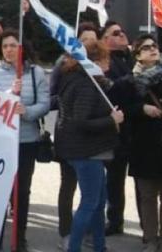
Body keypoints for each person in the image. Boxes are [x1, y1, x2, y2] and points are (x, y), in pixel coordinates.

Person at [0, 30, 50, 252]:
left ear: (22, 48)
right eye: (5, 46)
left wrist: (26, 111)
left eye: (13, 45)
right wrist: (11, 93)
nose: (9, 50)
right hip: (1, 140)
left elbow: (45, 104)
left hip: (26, 140)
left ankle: (19, 238)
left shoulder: (36, 73)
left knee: (22, 191)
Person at [54, 42, 124, 252]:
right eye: (105, 59)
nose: (108, 63)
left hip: (86, 150)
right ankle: (74, 247)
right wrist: (112, 120)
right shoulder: (86, 84)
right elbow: (81, 121)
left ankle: (99, 246)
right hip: (86, 152)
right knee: (90, 203)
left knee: (98, 201)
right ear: (94, 61)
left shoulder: (79, 80)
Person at [128, 34, 162, 252]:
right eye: (146, 48)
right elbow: (122, 106)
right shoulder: (130, 80)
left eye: (154, 46)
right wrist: (141, 109)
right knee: (147, 196)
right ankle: (150, 238)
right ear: (138, 56)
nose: (152, 50)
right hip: (143, 145)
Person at [54, 22, 101, 245]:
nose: (88, 44)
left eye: (93, 40)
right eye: (84, 40)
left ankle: (90, 233)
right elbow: (54, 97)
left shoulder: (97, 72)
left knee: (93, 194)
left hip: (91, 142)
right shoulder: (66, 68)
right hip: (71, 138)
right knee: (71, 186)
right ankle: (67, 233)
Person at [100, 20, 133, 236]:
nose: (122, 36)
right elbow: (109, 91)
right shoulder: (105, 63)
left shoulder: (131, 58)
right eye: (116, 33)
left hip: (136, 128)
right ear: (105, 40)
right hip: (113, 128)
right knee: (113, 178)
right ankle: (114, 219)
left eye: (123, 32)